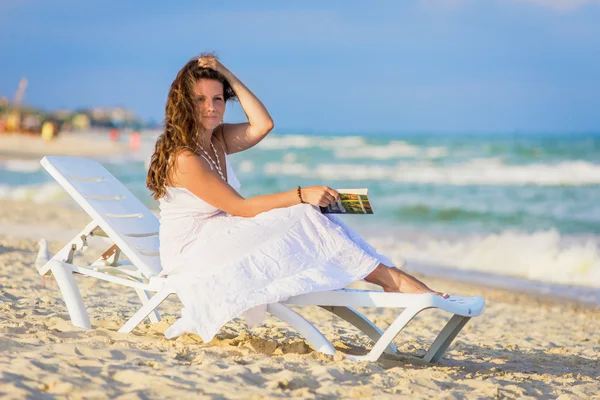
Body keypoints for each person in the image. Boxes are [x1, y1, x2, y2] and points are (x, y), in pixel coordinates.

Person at [146, 54, 447, 343]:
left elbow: (263, 125)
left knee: (315, 215)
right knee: (304, 213)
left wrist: (227, 74)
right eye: (200, 99)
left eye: (218, 99)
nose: (211, 107)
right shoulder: (185, 158)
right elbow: (241, 207)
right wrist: (302, 195)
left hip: (220, 235)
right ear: (184, 103)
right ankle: (393, 281)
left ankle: (389, 277)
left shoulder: (216, 139)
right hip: (193, 255)